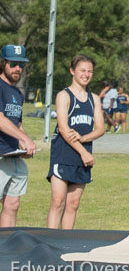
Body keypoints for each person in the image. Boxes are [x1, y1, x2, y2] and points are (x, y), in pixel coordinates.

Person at [47, 54, 105, 229]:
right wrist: (83, 151)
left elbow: (100, 129)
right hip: (64, 155)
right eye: (82, 71)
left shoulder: (93, 99)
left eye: (90, 72)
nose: (86, 75)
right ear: (72, 71)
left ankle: (66, 243)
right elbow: (64, 130)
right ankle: (50, 243)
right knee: (58, 201)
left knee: (73, 203)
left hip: (82, 158)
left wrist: (84, 139)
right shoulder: (64, 96)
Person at [1, 45, 37, 228]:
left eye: (21, 65)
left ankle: (6, 250)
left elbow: (18, 124)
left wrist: (26, 144)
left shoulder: (17, 93)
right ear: (4, 63)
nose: (18, 69)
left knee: (12, 205)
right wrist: (24, 139)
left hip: (13, 155)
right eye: (13, 64)